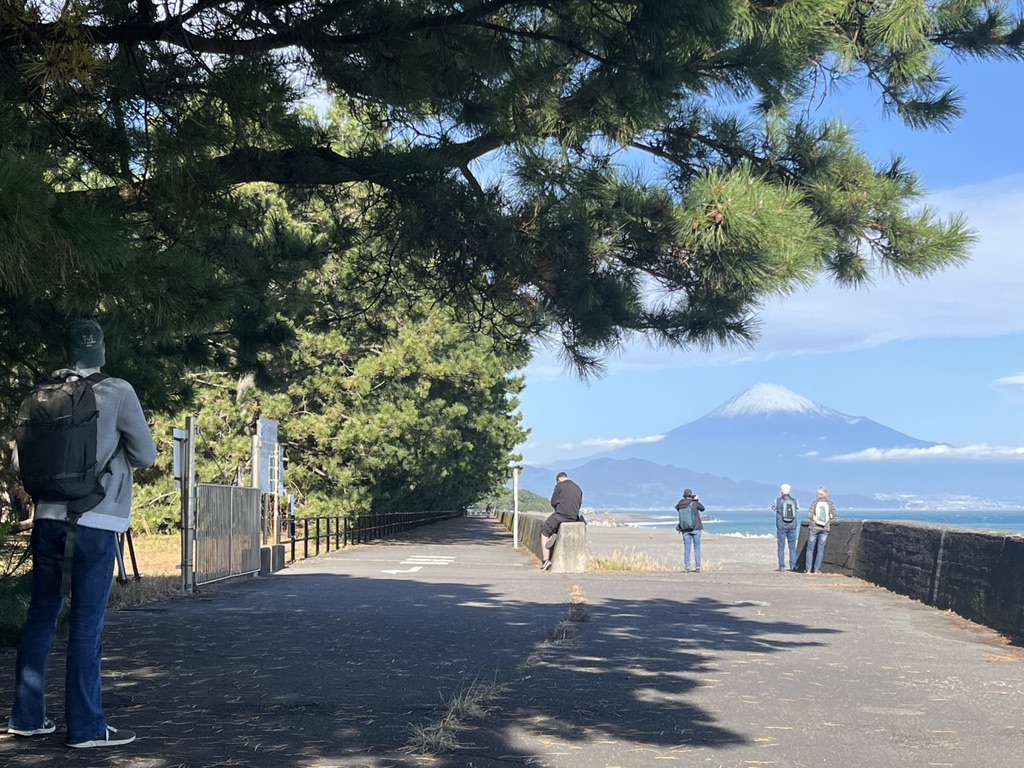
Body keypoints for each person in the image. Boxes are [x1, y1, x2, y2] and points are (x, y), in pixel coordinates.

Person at [8, 320, 157, 748]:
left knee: (42, 614)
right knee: (87, 624)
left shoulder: (39, 396)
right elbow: (145, 454)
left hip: (48, 520)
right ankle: (88, 728)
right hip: (96, 521)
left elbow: (21, 463)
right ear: (102, 350)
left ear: (66, 352)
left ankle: (27, 717)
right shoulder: (118, 391)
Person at [540, 471, 583, 571]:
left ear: (558, 480)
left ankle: (546, 560)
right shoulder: (578, 488)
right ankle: (555, 535)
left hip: (560, 515)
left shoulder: (559, 486)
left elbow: (553, 501)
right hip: (573, 517)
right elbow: (579, 504)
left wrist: (558, 509)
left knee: (544, 533)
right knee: (555, 528)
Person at [805, 486, 838, 574]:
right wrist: (827, 522)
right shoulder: (830, 504)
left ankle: (808, 569)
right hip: (825, 528)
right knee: (820, 549)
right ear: (826, 494)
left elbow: (809, 515)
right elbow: (835, 517)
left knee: (810, 549)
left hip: (814, 527)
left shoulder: (814, 503)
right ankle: (816, 570)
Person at [674, 488, 705, 573]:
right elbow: (702, 508)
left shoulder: (680, 504)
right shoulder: (694, 503)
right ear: (691, 495)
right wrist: (696, 500)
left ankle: (687, 567)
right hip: (696, 528)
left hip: (685, 529)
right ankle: (698, 566)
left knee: (687, 548)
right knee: (697, 547)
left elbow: (677, 508)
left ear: (684, 495)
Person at [772, 484, 800, 572]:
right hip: (792, 526)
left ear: (781, 491)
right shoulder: (795, 501)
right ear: (790, 491)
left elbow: (773, 508)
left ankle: (782, 566)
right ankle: (793, 565)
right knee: (792, 547)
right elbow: (797, 509)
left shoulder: (777, 501)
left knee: (781, 547)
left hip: (781, 526)